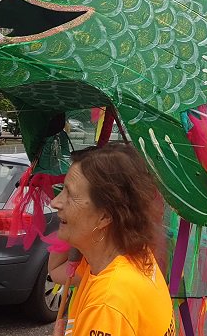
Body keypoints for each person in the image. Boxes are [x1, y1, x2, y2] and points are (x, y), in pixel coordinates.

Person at [48, 143, 174, 335]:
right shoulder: (133, 257)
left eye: (70, 194)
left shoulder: (108, 303)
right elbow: (56, 271)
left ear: (105, 217)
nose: (55, 202)